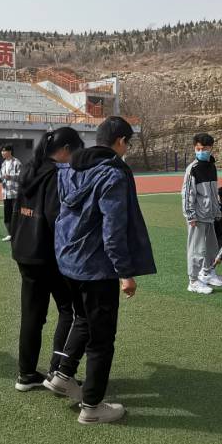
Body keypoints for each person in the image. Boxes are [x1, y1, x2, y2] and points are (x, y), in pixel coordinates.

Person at [44, 117, 157, 424]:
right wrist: (125, 273)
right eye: (128, 143)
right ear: (120, 141)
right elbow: (113, 230)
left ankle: (63, 375)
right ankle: (92, 406)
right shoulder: (112, 174)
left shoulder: (69, 169)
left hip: (68, 261)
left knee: (82, 319)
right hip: (95, 269)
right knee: (102, 338)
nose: (127, 149)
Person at [11, 127, 84, 393]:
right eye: (75, 152)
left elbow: (14, 212)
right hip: (46, 254)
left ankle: (26, 373)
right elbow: (56, 218)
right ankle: (59, 371)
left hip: (24, 251)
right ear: (65, 150)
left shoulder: (30, 169)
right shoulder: (55, 174)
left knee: (32, 315)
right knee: (70, 309)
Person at [181, 132, 222, 294]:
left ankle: (207, 273)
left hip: (210, 215)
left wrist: (216, 210)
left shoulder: (211, 166)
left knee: (212, 247)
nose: (201, 152)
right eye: (198, 149)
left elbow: (212, 192)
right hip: (198, 216)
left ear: (211, 148)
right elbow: (187, 194)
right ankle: (193, 281)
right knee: (196, 250)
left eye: (204, 149)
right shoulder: (193, 169)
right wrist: (190, 215)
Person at [0, 144, 21, 241]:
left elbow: (21, 176)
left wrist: (10, 176)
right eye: (1, 151)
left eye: (4, 150)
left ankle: (18, 234)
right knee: (7, 215)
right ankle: (10, 234)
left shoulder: (16, 162)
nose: (2, 153)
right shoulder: (3, 164)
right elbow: (3, 177)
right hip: (6, 193)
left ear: (10, 151)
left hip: (15, 193)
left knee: (16, 215)